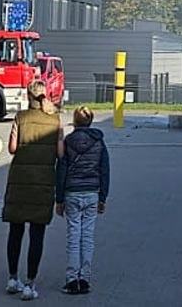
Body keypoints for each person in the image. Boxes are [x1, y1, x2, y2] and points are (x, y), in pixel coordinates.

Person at [2, 81, 62, 300]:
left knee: (15, 230)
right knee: (37, 234)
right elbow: (61, 153)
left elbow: (12, 148)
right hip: (43, 183)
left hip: (19, 181)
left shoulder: (20, 117)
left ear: (28, 95)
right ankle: (30, 283)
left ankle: (12, 277)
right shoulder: (55, 120)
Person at [55, 106, 110, 296]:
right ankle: (84, 279)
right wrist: (103, 196)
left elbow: (61, 170)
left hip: (72, 193)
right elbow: (105, 170)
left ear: (75, 122)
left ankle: (72, 280)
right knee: (87, 237)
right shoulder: (99, 142)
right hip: (92, 193)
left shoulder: (69, 141)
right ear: (91, 121)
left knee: (73, 237)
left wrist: (59, 199)